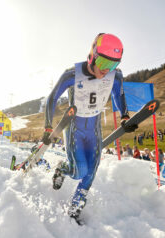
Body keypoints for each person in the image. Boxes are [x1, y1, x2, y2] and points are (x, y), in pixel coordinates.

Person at [42, 33, 137, 223]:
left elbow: (119, 95)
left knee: (91, 171)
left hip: (94, 129)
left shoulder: (115, 76)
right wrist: (47, 127)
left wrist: (125, 116)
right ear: (92, 55)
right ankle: (62, 169)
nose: (105, 70)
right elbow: (51, 98)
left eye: (112, 65)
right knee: (79, 171)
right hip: (75, 128)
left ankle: (75, 208)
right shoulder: (72, 74)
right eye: (102, 63)